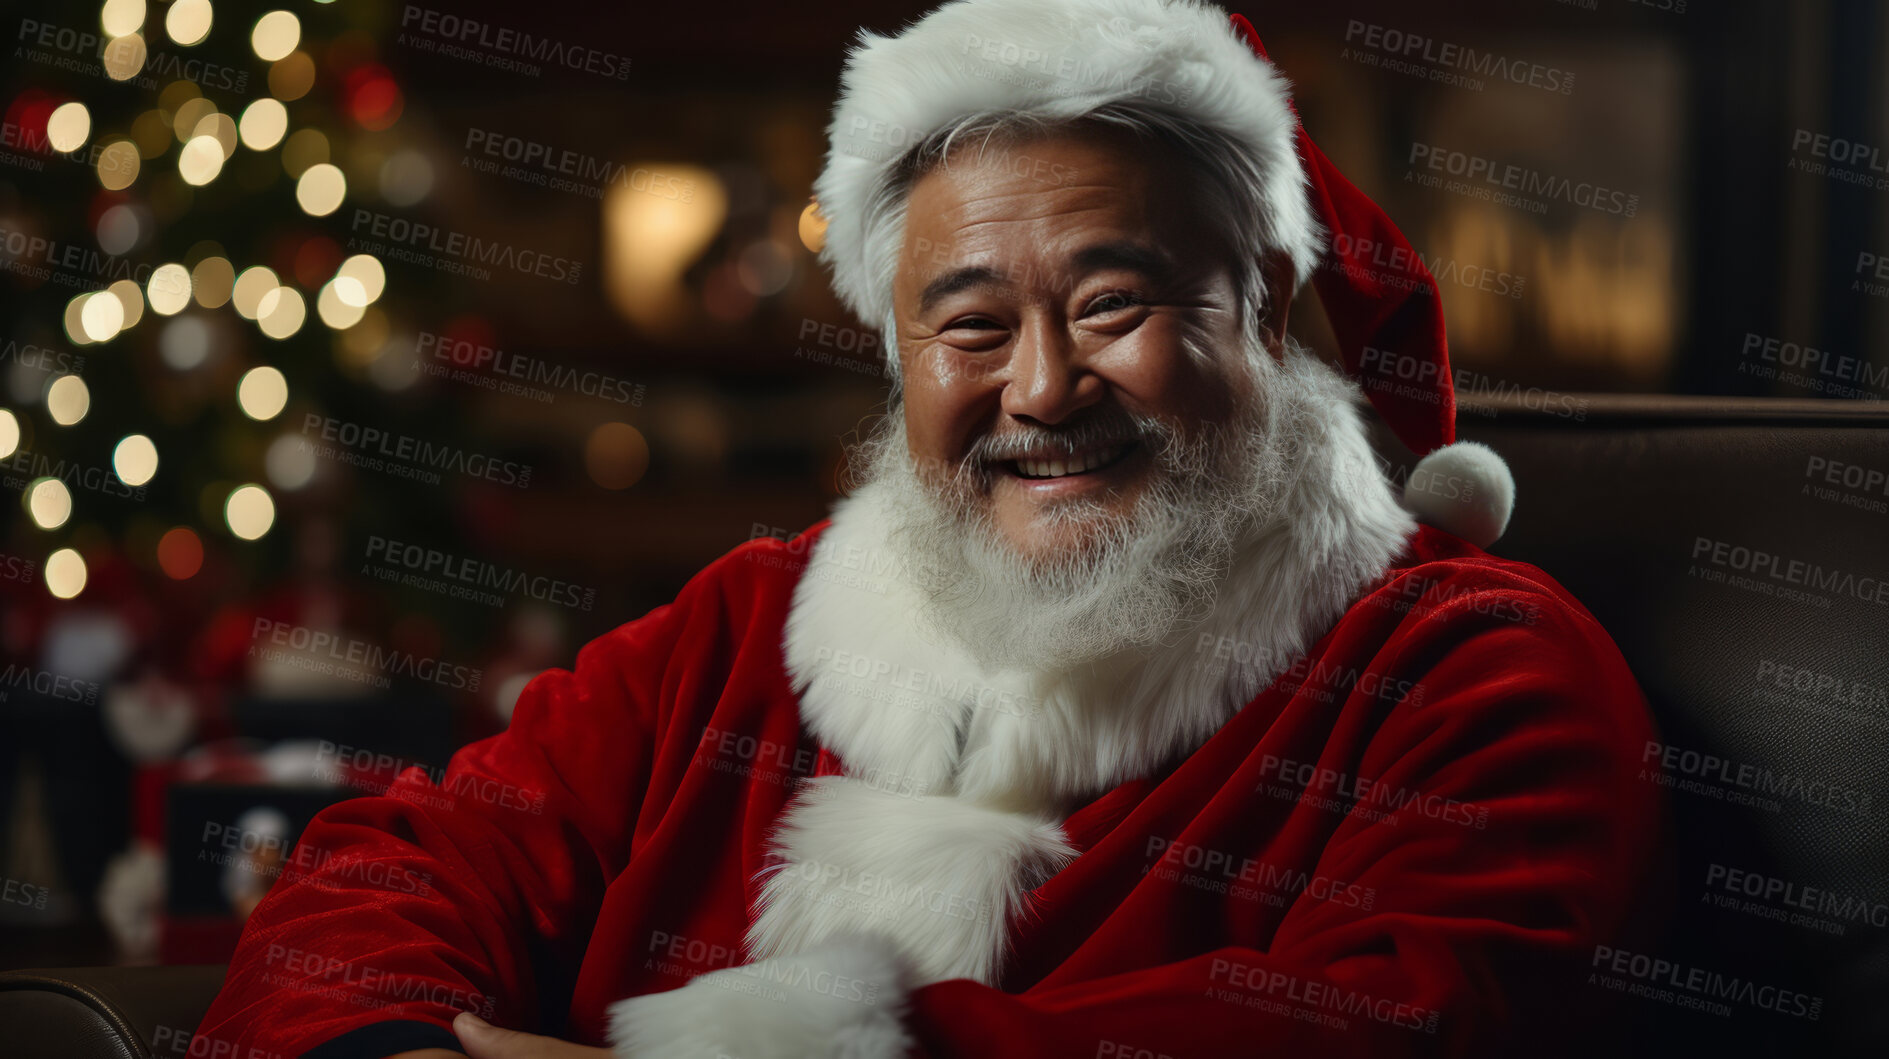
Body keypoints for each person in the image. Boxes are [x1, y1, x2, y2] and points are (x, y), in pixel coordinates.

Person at [195, 2, 1665, 1056]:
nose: (1039, 390)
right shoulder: (743, 629)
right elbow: (381, 881)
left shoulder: (1476, 679)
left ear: (1262, 311)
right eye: (968, 326)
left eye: (1111, 305)